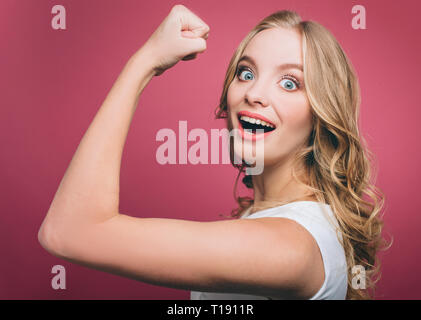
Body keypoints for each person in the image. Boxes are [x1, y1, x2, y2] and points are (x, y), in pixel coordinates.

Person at [38, 4, 387, 300]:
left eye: (290, 82)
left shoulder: (292, 245)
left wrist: (144, 64)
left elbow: (68, 231)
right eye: (246, 72)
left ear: (322, 117)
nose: (254, 93)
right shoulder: (274, 223)